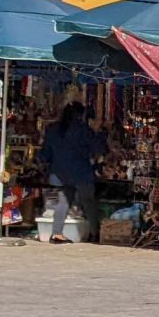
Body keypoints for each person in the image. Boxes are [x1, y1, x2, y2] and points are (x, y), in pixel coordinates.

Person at [39, 103, 107, 242]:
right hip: (81, 172)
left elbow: (44, 155)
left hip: (59, 173)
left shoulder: (53, 130)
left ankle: (56, 233)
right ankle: (95, 233)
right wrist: (101, 132)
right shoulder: (82, 130)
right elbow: (98, 148)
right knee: (88, 202)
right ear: (80, 115)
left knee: (63, 202)